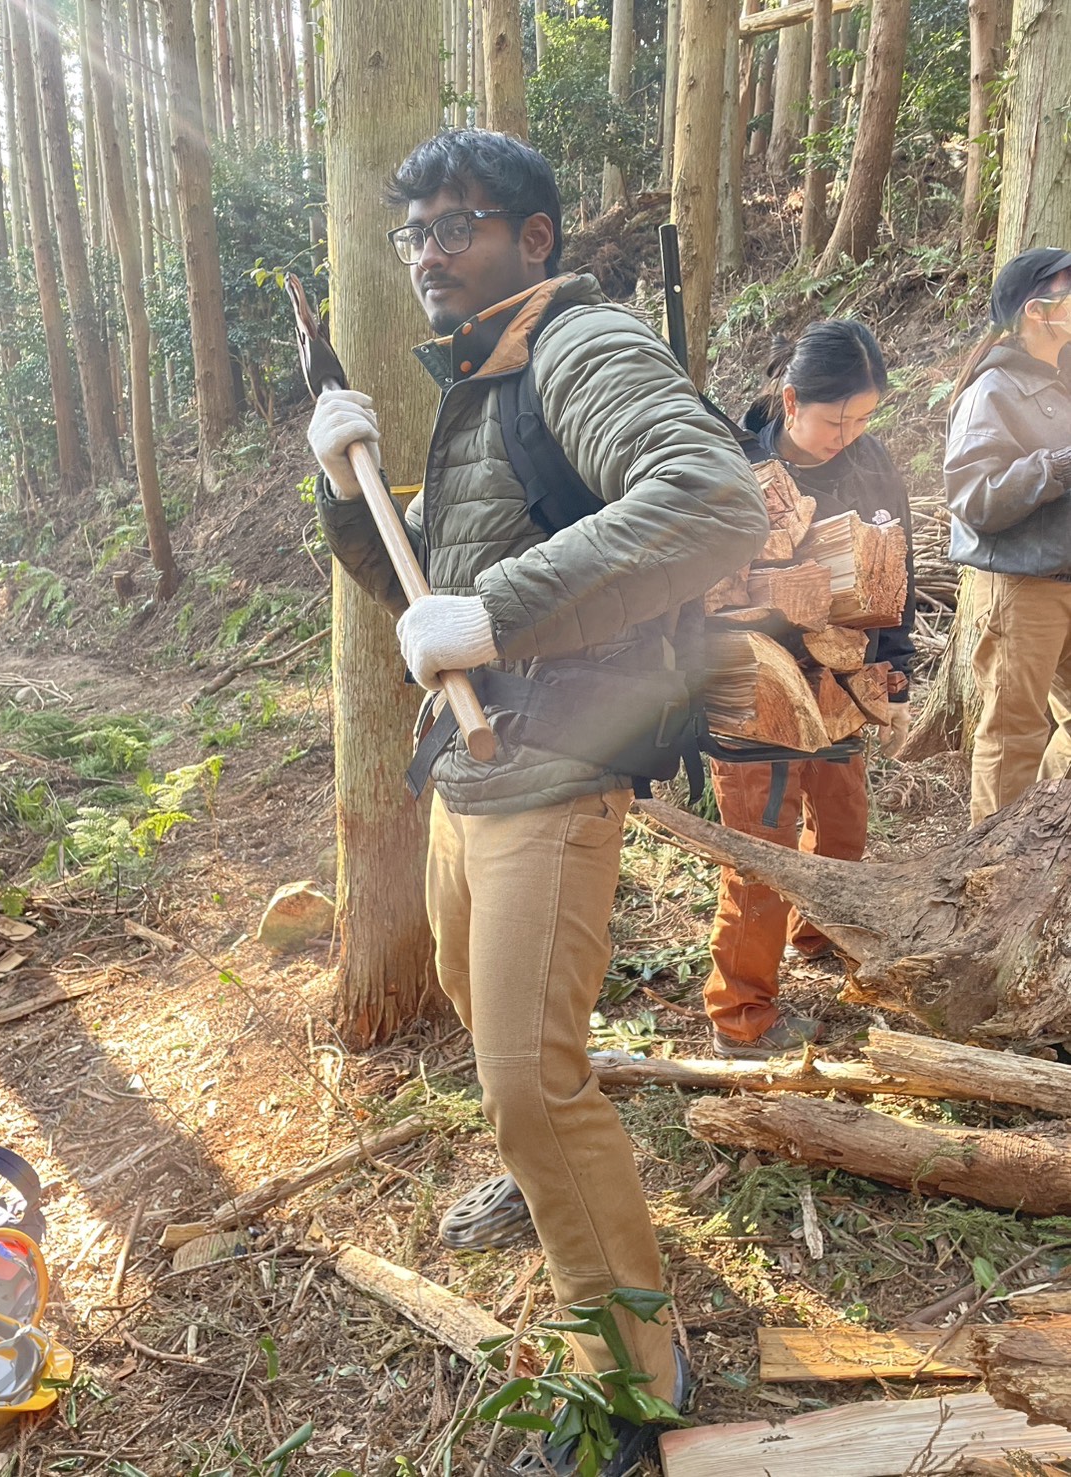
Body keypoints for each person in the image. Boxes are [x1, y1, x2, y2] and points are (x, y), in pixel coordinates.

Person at [305, 130, 768, 1473]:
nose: (432, 254)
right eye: (416, 236)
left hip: (554, 766)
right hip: (472, 768)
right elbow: (420, 608)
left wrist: (491, 606)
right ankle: (547, 1170)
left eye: (460, 225)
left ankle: (634, 1370)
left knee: (524, 1073)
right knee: (491, 1026)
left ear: (536, 238)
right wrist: (345, 492)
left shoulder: (580, 349)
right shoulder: (481, 381)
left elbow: (712, 500)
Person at [703, 321, 916, 1060]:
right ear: (791, 401)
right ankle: (742, 1014)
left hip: (844, 678)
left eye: (863, 419)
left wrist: (895, 665)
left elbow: (896, 574)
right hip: (755, 681)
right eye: (835, 420)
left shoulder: (871, 462)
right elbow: (706, 587)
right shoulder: (736, 466)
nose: (848, 435)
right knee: (761, 847)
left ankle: (818, 932)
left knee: (842, 824)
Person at [944, 247, 1071, 826]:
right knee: (1014, 732)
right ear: (1035, 313)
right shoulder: (989, 392)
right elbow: (973, 497)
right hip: (1024, 589)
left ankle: (1039, 839)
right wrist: (1057, 466)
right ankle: (989, 882)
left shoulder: (1061, 380)